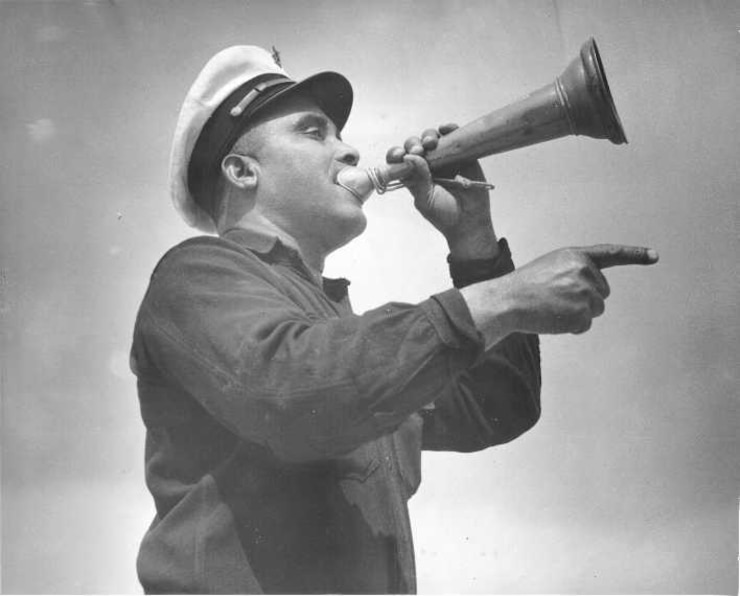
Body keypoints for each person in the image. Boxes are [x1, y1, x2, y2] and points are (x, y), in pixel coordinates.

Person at [130, 46, 657, 594]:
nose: (351, 151)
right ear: (241, 171)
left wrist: (474, 244)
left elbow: (497, 405)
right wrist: (501, 299)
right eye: (314, 132)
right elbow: (294, 389)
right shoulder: (197, 274)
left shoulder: (335, 329)